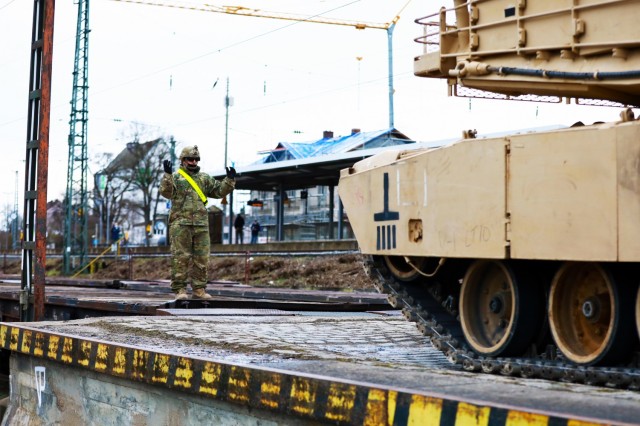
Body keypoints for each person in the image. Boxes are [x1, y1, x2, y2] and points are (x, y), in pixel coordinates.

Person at [159, 145, 236, 300]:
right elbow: (166, 193)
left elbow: (218, 191)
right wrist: (167, 176)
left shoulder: (204, 178)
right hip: (180, 224)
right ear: (183, 160)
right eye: (190, 159)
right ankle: (180, 290)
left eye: (196, 159)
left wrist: (229, 180)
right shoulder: (176, 177)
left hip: (201, 224)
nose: (193, 162)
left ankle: (199, 290)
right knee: (180, 257)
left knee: (201, 258)